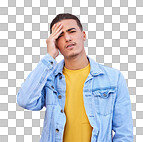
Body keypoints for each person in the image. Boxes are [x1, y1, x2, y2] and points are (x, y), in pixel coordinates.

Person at [17, 13, 133, 142]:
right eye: (60, 35)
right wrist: (49, 56)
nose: (67, 38)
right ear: (55, 43)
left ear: (83, 35)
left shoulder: (113, 78)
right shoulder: (49, 78)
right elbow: (25, 101)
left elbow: (124, 133)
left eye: (71, 31)